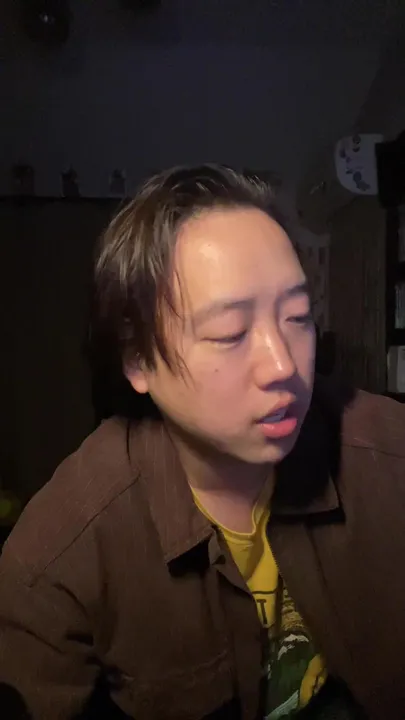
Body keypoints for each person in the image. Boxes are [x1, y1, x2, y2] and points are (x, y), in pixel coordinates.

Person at [0, 165, 404, 720]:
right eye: (229, 334)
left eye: (297, 317)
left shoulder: (387, 451)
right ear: (138, 360)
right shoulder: (58, 557)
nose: (283, 366)